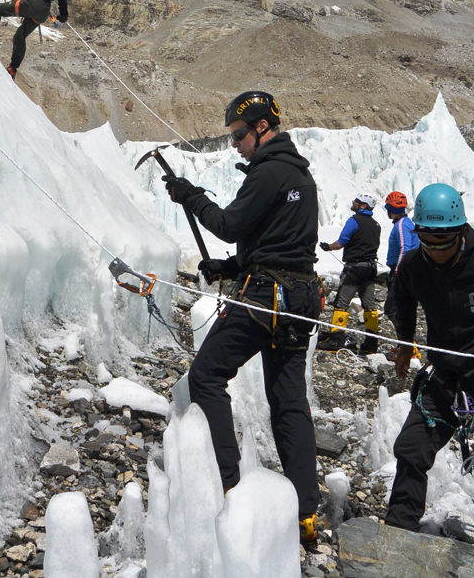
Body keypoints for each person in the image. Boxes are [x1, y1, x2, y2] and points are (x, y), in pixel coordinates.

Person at [162, 91, 322, 544]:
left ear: (261, 128)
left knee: (207, 376)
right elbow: (284, 246)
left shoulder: (268, 172)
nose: (234, 144)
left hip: (266, 300)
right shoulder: (299, 174)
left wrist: (189, 196)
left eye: (237, 135)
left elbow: (229, 225)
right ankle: (303, 512)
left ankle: (228, 482)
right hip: (301, 296)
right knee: (289, 401)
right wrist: (229, 268)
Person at [385, 183, 474, 572]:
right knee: (411, 450)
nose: (435, 251)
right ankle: (397, 539)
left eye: (444, 242)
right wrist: (405, 343)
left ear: (461, 231)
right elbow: (400, 299)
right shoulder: (415, 266)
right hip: (445, 378)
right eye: (427, 242)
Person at [318, 192, 381, 354]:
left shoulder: (353, 221)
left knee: (342, 302)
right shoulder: (376, 225)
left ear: (363, 206)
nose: (353, 202)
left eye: (357, 201)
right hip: (371, 267)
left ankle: (336, 340)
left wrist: (328, 247)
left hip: (354, 268)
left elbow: (341, 243)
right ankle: (371, 343)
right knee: (369, 305)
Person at [383, 191, 419, 335]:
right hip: (409, 270)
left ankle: (407, 343)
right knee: (404, 308)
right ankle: (406, 344)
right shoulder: (408, 223)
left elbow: (405, 247)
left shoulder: (401, 225)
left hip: (401, 271)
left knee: (392, 308)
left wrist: (398, 271)